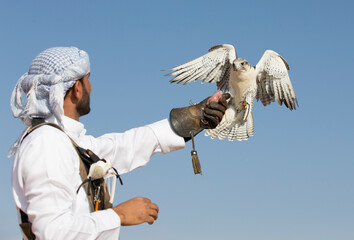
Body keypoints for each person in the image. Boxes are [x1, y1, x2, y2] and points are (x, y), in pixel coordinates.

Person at [9, 47, 228, 240]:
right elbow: (53, 233)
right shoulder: (45, 143)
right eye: (88, 80)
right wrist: (119, 215)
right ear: (76, 88)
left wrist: (195, 117)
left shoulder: (65, 141)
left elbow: (123, 146)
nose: (91, 88)